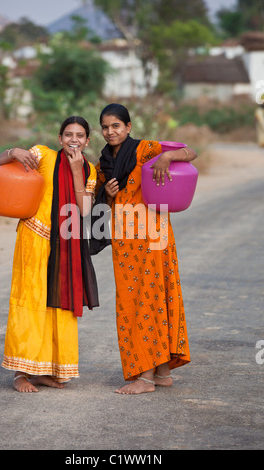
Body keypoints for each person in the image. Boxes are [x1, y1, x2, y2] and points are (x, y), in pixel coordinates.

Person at [91, 103, 197, 394]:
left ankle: (145, 378)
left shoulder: (144, 150)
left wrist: (167, 157)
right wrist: (108, 195)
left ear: (128, 127)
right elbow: (102, 200)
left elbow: (190, 152)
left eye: (116, 126)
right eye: (105, 127)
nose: (110, 132)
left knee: (146, 298)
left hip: (154, 235)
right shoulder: (104, 163)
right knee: (142, 299)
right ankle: (162, 372)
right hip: (126, 240)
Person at [0, 116, 99, 392]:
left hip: (66, 243)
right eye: (68, 134)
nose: (74, 140)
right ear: (60, 138)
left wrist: (77, 171)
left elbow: (86, 209)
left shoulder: (90, 169)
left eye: (80, 135)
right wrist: (12, 152)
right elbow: (0, 162)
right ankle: (20, 373)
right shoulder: (42, 155)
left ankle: (44, 371)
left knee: (58, 306)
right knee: (30, 302)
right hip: (34, 237)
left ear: (88, 140)